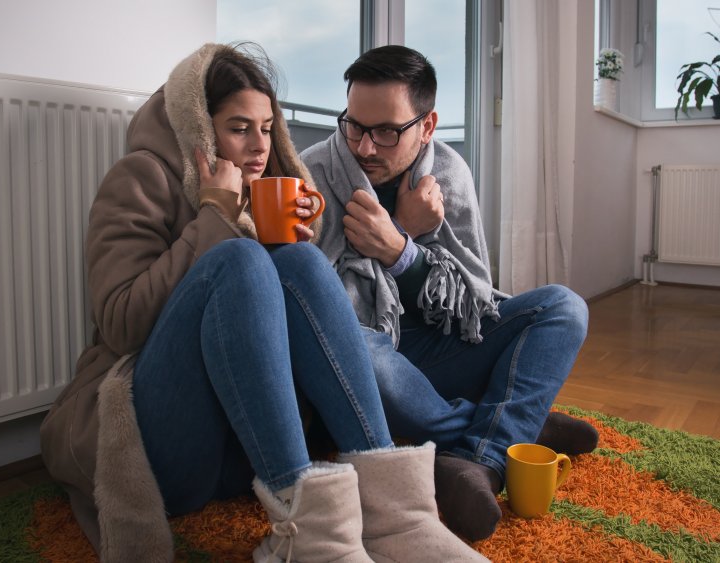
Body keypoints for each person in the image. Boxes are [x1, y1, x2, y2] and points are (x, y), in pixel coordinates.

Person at [39, 43, 486, 562]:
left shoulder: (263, 185)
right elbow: (120, 324)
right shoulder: (142, 177)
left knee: (301, 263)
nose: (258, 146)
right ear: (201, 131)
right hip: (158, 444)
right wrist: (214, 216)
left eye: (267, 128)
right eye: (238, 128)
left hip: (241, 451)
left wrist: (285, 238)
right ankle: (309, 533)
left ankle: (396, 516)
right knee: (239, 262)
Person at [300, 44, 599, 543]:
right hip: (372, 356)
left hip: (441, 351)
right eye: (353, 125)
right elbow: (315, 309)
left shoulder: (449, 176)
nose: (364, 147)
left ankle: (480, 455)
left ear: (427, 126)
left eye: (387, 132)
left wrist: (400, 250)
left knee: (564, 307)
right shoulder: (314, 174)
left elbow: (473, 306)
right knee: (354, 344)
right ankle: (507, 431)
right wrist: (402, 230)